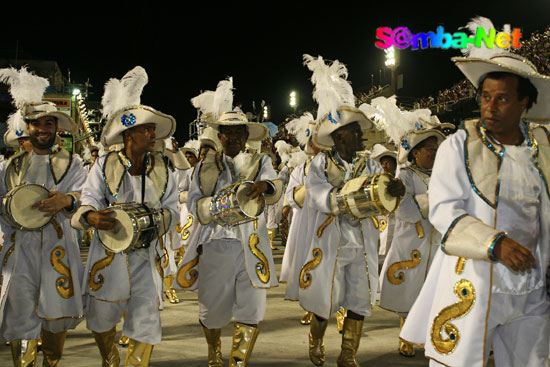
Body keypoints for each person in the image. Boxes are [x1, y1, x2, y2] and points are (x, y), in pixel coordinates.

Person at [400, 47, 550, 365]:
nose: (490, 107)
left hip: (530, 287)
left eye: (503, 98)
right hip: (471, 280)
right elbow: (444, 208)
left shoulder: (543, 148)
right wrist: (494, 243)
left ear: (525, 102)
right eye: (485, 96)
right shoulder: (458, 145)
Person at [299, 54, 405, 367]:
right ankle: (316, 340)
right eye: (354, 131)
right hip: (330, 242)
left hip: (362, 244)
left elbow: (381, 195)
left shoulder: (370, 163)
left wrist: (395, 191)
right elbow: (318, 196)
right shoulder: (320, 163)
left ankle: (348, 354)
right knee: (324, 300)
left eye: (358, 130)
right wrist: (342, 200)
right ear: (338, 136)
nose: (360, 134)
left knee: (360, 300)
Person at [71, 66, 178, 367]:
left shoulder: (162, 168)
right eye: (146, 129)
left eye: (153, 129)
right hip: (109, 258)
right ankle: (111, 359)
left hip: (146, 259)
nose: (153, 135)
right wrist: (91, 217)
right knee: (101, 321)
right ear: (130, 134)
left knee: (147, 325)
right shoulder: (104, 166)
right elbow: (88, 200)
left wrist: (155, 221)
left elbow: (172, 209)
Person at [0, 66, 87, 367]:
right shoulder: (10, 167)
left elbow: (84, 197)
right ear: (28, 127)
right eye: (37, 124)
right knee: (21, 316)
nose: (43, 129)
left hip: (57, 249)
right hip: (20, 251)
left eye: (48, 123)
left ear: (56, 127)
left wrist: (67, 200)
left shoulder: (72, 163)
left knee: (55, 314)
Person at [186, 104, 282, 366]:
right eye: (227, 132)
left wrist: (266, 186)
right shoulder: (205, 165)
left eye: (238, 132)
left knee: (252, 307)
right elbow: (193, 202)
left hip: (252, 245)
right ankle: (214, 352)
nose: (233, 137)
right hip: (216, 244)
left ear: (246, 135)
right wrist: (215, 208)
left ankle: (237, 362)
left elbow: (275, 189)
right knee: (212, 309)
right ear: (220, 136)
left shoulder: (260, 161)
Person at [378, 126, 445, 357]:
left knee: (433, 289)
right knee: (410, 288)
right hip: (411, 241)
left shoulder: (442, 173)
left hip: (436, 240)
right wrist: (434, 202)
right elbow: (405, 209)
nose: (434, 154)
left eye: (436, 150)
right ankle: (405, 335)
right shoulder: (405, 175)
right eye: (429, 150)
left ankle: (428, 336)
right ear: (415, 152)